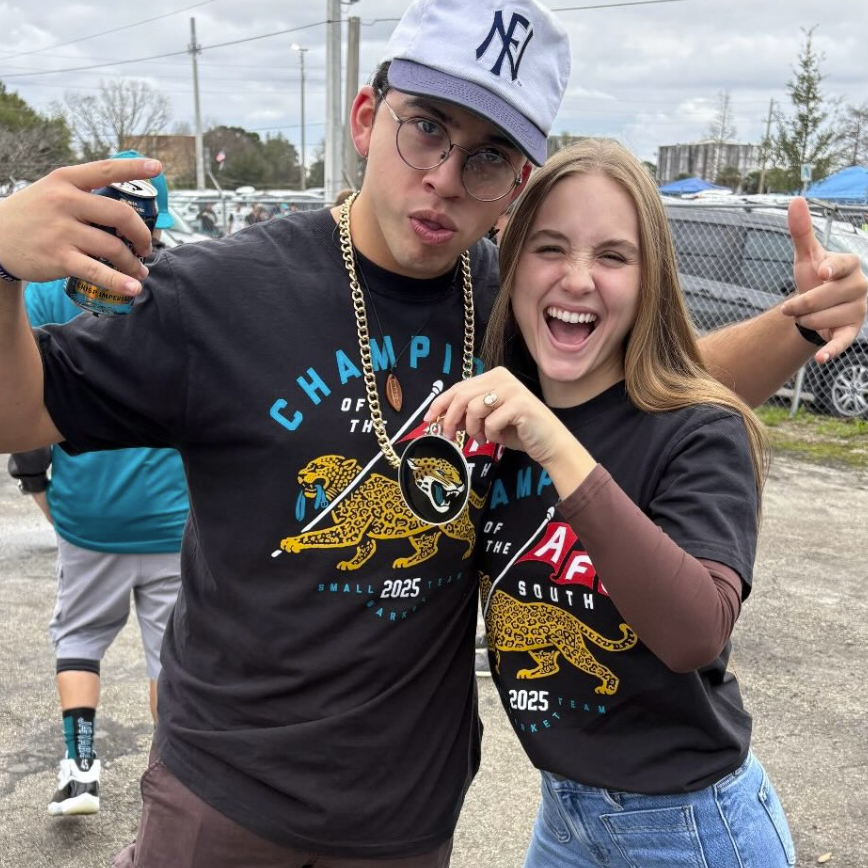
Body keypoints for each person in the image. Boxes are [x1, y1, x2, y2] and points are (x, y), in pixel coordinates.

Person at [0, 0, 863, 864]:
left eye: (487, 155)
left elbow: (662, 386)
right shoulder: (220, 292)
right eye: (426, 129)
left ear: (516, 183)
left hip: (405, 816)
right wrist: (3, 265)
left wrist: (797, 325)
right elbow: (21, 415)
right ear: (368, 119)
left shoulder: (516, 304)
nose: (446, 177)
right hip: (227, 794)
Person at [426, 138, 793, 867]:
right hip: (566, 817)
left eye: (614, 256)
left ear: (652, 279)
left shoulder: (698, 430)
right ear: (513, 264)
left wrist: (556, 444)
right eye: (550, 248)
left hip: (691, 827)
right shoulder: (491, 423)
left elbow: (696, 631)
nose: (579, 278)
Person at [6, 152, 188, 819]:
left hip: (88, 509)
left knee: (79, 635)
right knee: (169, 652)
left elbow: (21, 396)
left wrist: (36, 482)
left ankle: (80, 767)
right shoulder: (177, 285)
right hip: (172, 512)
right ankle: (166, 776)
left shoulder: (45, 284)